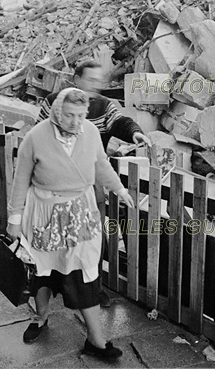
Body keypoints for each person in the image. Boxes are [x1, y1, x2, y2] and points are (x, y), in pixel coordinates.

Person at [7, 88, 134, 359]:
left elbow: (101, 164)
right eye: (69, 115)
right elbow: (20, 180)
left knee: (85, 272)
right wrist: (14, 219)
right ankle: (40, 318)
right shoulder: (35, 137)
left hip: (81, 211)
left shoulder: (88, 133)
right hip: (44, 211)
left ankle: (96, 341)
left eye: (80, 115)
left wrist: (120, 190)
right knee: (42, 271)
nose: (76, 122)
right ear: (56, 112)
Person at [37, 59, 151, 307]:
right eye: (90, 80)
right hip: (55, 190)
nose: (95, 86)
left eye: (99, 81)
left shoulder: (103, 106)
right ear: (76, 79)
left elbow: (120, 122)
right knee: (54, 243)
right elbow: (39, 139)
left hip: (90, 189)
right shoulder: (52, 103)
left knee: (93, 244)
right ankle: (51, 297)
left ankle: (93, 291)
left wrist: (135, 132)